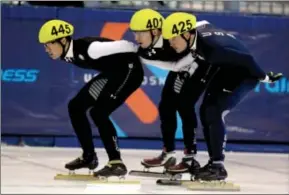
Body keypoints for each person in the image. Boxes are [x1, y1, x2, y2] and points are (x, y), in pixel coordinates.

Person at [161, 12, 283, 181]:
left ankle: (218, 166)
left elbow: (246, 60)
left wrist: (265, 77)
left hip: (243, 75)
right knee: (205, 110)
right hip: (225, 69)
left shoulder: (214, 49)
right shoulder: (194, 33)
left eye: (173, 38)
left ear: (187, 34)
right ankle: (213, 163)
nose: (171, 43)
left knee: (214, 111)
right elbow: (202, 22)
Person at [38, 19, 144, 178]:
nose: (47, 49)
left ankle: (116, 163)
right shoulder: (67, 53)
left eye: (49, 44)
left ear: (63, 40)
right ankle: (89, 157)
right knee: (75, 107)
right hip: (112, 73)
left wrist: (147, 52)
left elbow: (126, 45)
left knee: (99, 112)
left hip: (130, 71)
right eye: (44, 45)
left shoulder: (91, 49)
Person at [129, 8, 214, 176]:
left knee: (184, 105)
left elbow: (198, 36)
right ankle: (168, 154)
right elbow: (174, 66)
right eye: (135, 33)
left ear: (155, 31)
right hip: (180, 67)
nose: (136, 38)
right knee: (166, 106)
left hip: (202, 65)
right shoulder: (144, 48)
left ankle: (190, 157)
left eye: (140, 33)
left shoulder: (173, 34)